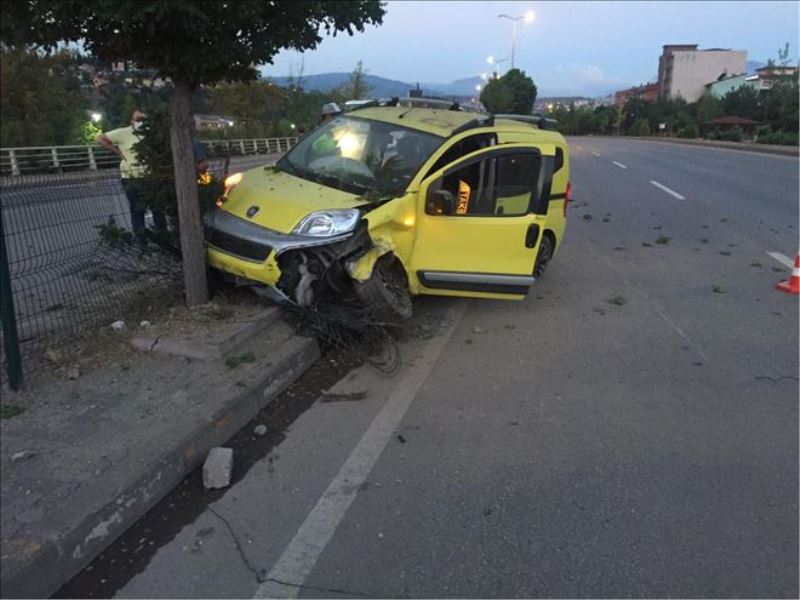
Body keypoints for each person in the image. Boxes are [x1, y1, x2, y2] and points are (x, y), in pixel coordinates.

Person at [96, 109, 167, 237]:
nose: (140, 122)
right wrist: (118, 152)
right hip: (131, 176)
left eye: (142, 120)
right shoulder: (123, 133)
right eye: (137, 120)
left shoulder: (149, 133)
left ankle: (163, 235)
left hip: (151, 176)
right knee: (137, 209)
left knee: (157, 208)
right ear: (131, 121)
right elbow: (100, 138)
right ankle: (141, 238)